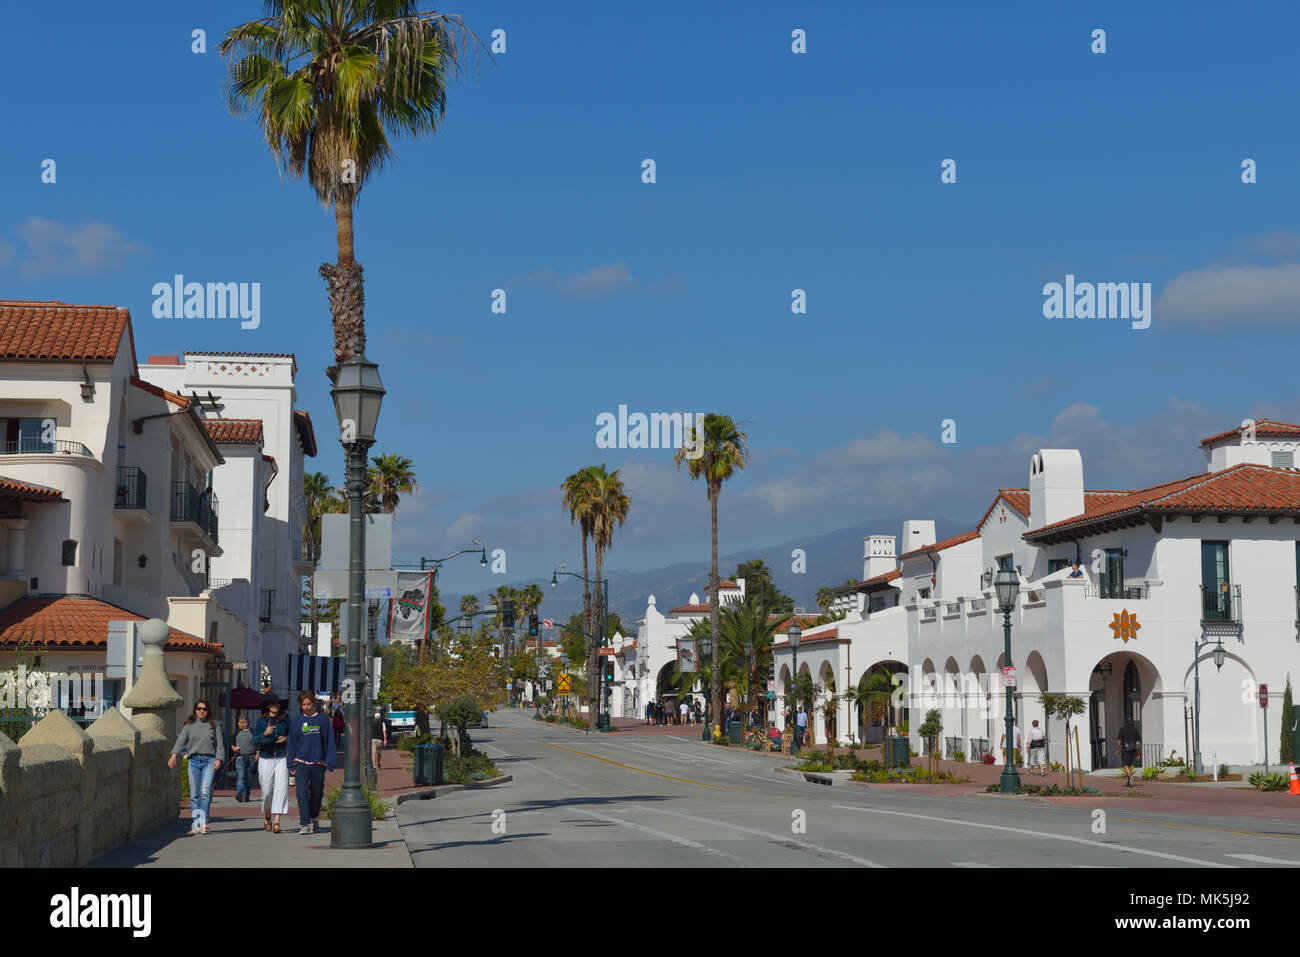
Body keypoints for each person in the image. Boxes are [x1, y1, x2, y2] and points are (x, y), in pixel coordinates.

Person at [168, 699, 224, 835]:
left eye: (204, 708)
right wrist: (174, 754)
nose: (202, 711)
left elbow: (220, 745)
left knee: (205, 792)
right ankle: (196, 824)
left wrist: (219, 759)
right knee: (194, 795)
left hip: (209, 761)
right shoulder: (189, 725)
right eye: (199, 708)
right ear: (195, 710)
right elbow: (181, 741)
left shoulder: (214, 725)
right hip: (193, 761)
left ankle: (203, 823)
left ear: (208, 710)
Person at [287, 691, 335, 834]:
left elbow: (329, 741)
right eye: (303, 705)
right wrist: (290, 763)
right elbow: (291, 744)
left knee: (316, 794)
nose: (306, 707)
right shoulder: (297, 722)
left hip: (318, 763)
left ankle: (314, 817)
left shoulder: (323, 720)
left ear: (313, 703)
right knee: (301, 793)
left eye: (308, 704)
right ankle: (304, 823)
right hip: (301, 762)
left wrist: (330, 761)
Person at [254, 697, 290, 833]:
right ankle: (267, 816)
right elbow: (254, 739)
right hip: (266, 757)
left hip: (282, 757)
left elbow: (293, 735)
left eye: (278, 703)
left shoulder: (286, 719)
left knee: (281, 788)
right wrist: (265, 733)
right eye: (273, 703)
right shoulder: (261, 721)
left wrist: (286, 738)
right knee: (267, 790)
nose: (275, 705)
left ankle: (276, 822)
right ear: (268, 706)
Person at [231, 715, 256, 802]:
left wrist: (257, 754)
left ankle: (246, 794)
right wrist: (233, 748)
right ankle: (239, 793)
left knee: (248, 777)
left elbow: (258, 743)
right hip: (240, 757)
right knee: (241, 777)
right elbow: (232, 742)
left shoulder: (253, 732)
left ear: (246, 724)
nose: (239, 724)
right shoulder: (237, 732)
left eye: (241, 722)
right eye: (239, 722)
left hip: (251, 757)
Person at [1116, 719, 1142, 786]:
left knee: (1125, 765)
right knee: (1130, 765)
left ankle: (1130, 777)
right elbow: (1139, 742)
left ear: (1125, 723)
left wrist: (1117, 749)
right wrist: (1138, 752)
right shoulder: (1135, 729)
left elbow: (1119, 741)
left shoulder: (1122, 729)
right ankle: (1129, 782)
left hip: (1125, 749)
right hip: (1133, 749)